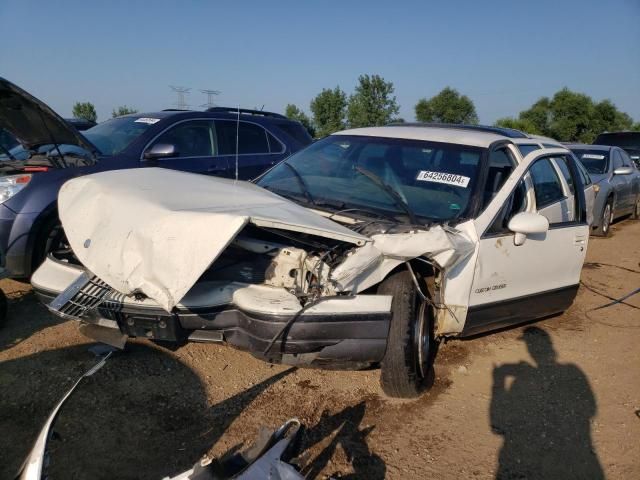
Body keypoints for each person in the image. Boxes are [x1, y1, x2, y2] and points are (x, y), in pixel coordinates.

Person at [490, 326, 604, 479]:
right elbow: (590, 409)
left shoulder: (569, 371)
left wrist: (498, 380)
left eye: (531, 345)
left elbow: (498, 425)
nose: (530, 349)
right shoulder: (572, 370)